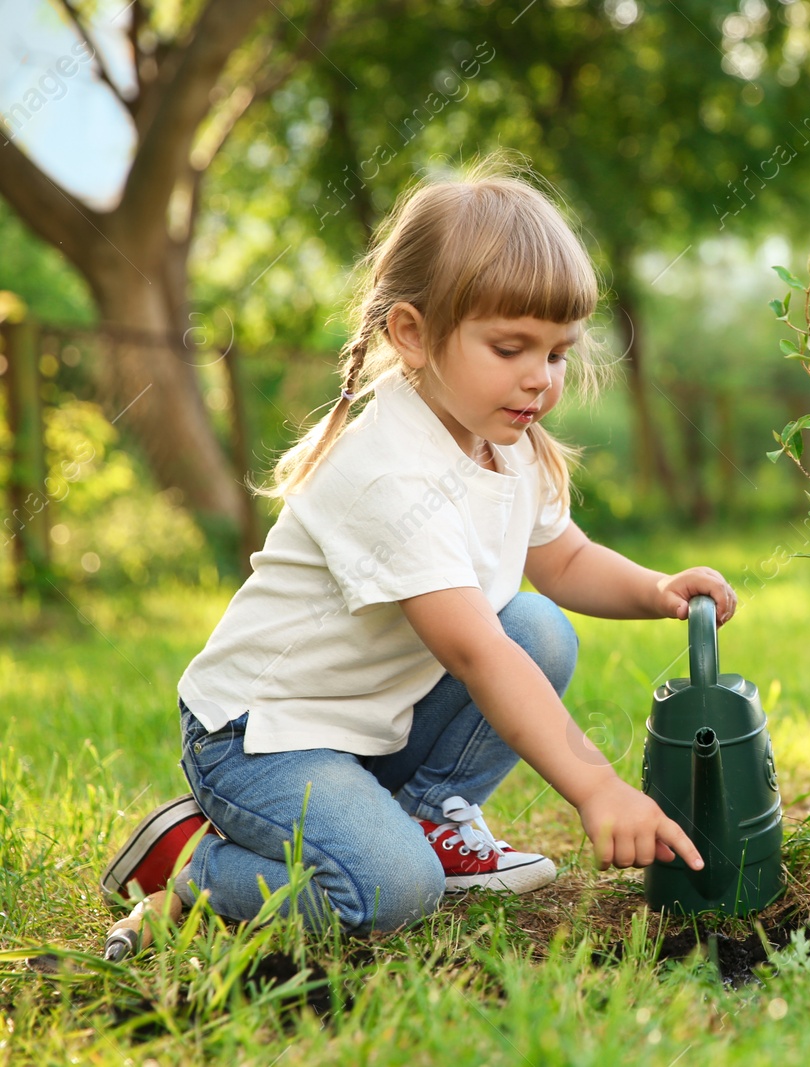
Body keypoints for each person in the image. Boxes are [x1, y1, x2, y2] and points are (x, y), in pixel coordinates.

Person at [101, 167, 734, 933]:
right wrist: (597, 785)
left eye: (558, 353)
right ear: (412, 333)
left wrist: (655, 587)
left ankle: (426, 817)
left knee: (539, 629)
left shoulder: (509, 439)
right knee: (392, 891)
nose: (540, 379)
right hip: (262, 739)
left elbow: (563, 560)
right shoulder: (388, 471)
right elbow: (476, 653)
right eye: (510, 347)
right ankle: (194, 869)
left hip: (369, 723)